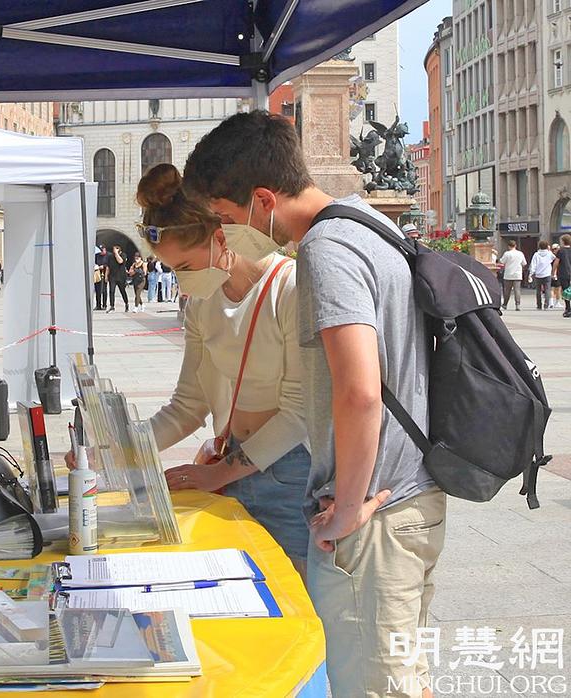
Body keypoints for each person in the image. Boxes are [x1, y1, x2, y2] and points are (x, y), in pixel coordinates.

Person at [184, 110, 444, 698]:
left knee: (373, 685)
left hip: (375, 513)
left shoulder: (326, 249)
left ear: (262, 200)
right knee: (401, 677)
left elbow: (359, 390)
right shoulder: (369, 224)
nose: (226, 233)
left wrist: (348, 506)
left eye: (225, 217)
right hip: (408, 496)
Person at [137, 164, 311, 570]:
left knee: (294, 591)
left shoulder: (290, 288)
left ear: (220, 239)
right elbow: (186, 406)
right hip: (231, 461)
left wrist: (217, 476)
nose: (181, 284)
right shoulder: (203, 303)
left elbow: (299, 413)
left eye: (186, 267)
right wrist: (117, 450)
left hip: (290, 471)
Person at [499, 239, 527, 311]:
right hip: (517, 274)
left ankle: (505, 305)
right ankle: (517, 305)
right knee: (517, 290)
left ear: (509, 246)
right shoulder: (520, 253)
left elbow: (502, 261)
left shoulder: (507, 254)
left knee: (507, 291)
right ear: (515, 246)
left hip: (508, 274)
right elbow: (524, 263)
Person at [529, 240, 557, 310]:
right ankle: (546, 305)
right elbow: (555, 258)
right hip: (547, 274)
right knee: (547, 290)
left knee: (538, 290)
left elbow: (533, 264)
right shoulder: (549, 253)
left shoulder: (536, 254)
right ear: (547, 246)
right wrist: (549, 250)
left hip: (538, 274)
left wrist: (531, 273)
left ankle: (539, 305)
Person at [106, 243, 130, 312]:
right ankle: (112, 306)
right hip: (112, 276)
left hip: (121, 276)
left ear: (119, 249)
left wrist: (116, 253)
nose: (114, 250)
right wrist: (106, 276)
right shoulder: (110, 256)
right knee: (111, 291)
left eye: (115, 249)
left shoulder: (123, 255)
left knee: (122, 291)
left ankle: (126, 303)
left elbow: (120, 261)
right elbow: (108, 267)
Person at [555, 234, 571, 317]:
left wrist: (553, 272)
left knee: (565, 291)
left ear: (563, 241)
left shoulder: (560, 251)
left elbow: (556, 262)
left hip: (563, 273)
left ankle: (568, 308)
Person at [94, 245, 108, 310]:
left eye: (102, 250)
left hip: (104, 274)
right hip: (97, 274)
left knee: (104, 290)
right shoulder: (97, 256)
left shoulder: (108, 256)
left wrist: (104, 266)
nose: (101, 252)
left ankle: (104, 305)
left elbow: (109, 264)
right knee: (97, 290)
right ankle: (98, 305)